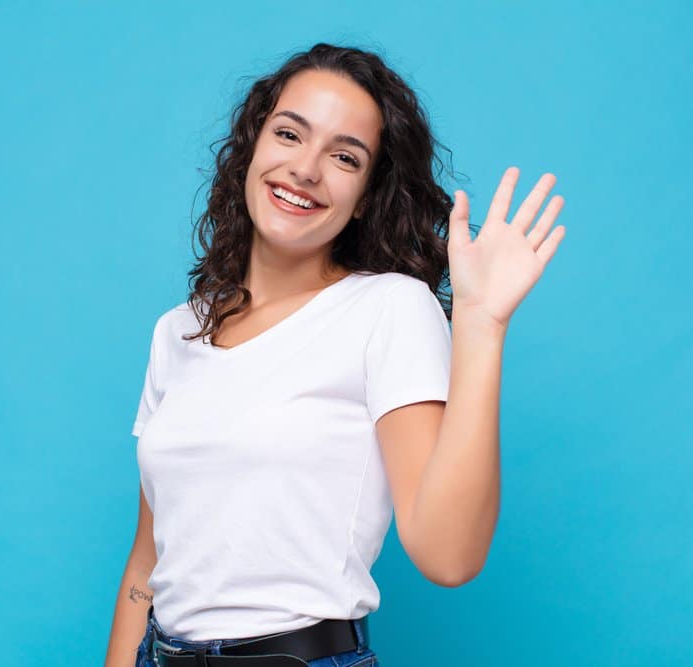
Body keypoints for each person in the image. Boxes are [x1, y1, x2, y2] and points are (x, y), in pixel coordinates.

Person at [104, 42, 566, 667]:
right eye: (289, 134)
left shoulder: (388, 310)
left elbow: (448, 554)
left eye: (344, 156)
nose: (306, 169)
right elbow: (147, 561)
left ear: (369, 191)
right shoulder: (177, 332)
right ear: (252, 145)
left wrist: (481, 325)